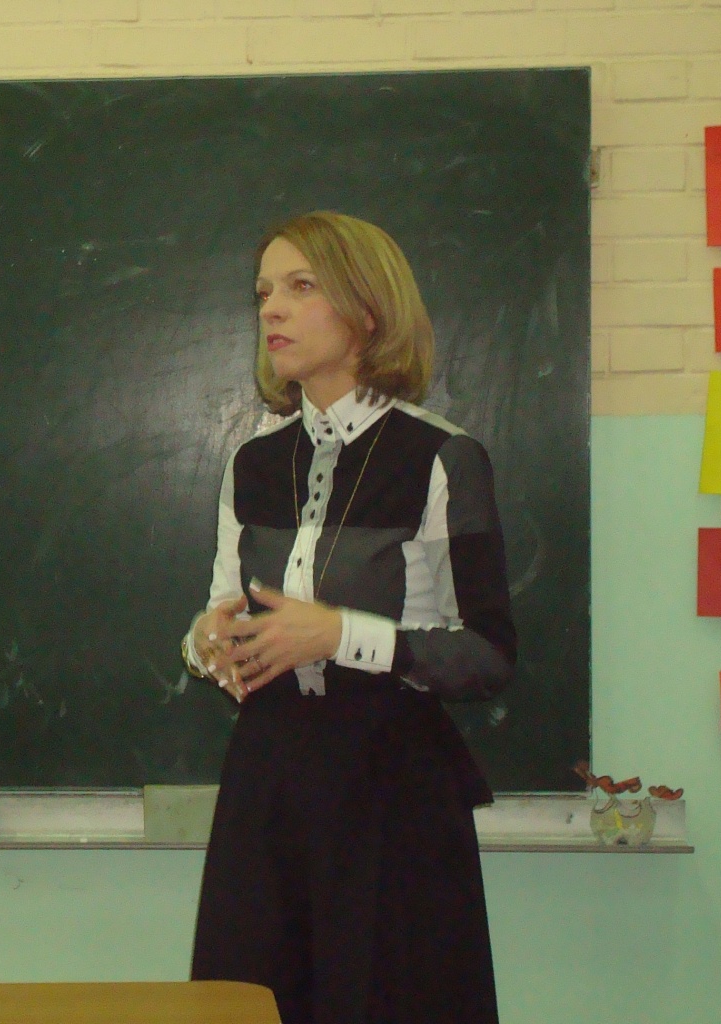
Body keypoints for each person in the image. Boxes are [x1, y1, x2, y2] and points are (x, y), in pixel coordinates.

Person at [181, 211, 516, 1024]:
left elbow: (487, 654)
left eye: (300, 287)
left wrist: (339, 636)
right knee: (251, 1001)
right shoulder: (252, 462)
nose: (271, 309)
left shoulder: (441, 457)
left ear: (367, 310)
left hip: (390, 784)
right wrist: (205, 642)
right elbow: (221, 605)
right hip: (266, 778)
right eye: (263, 291)